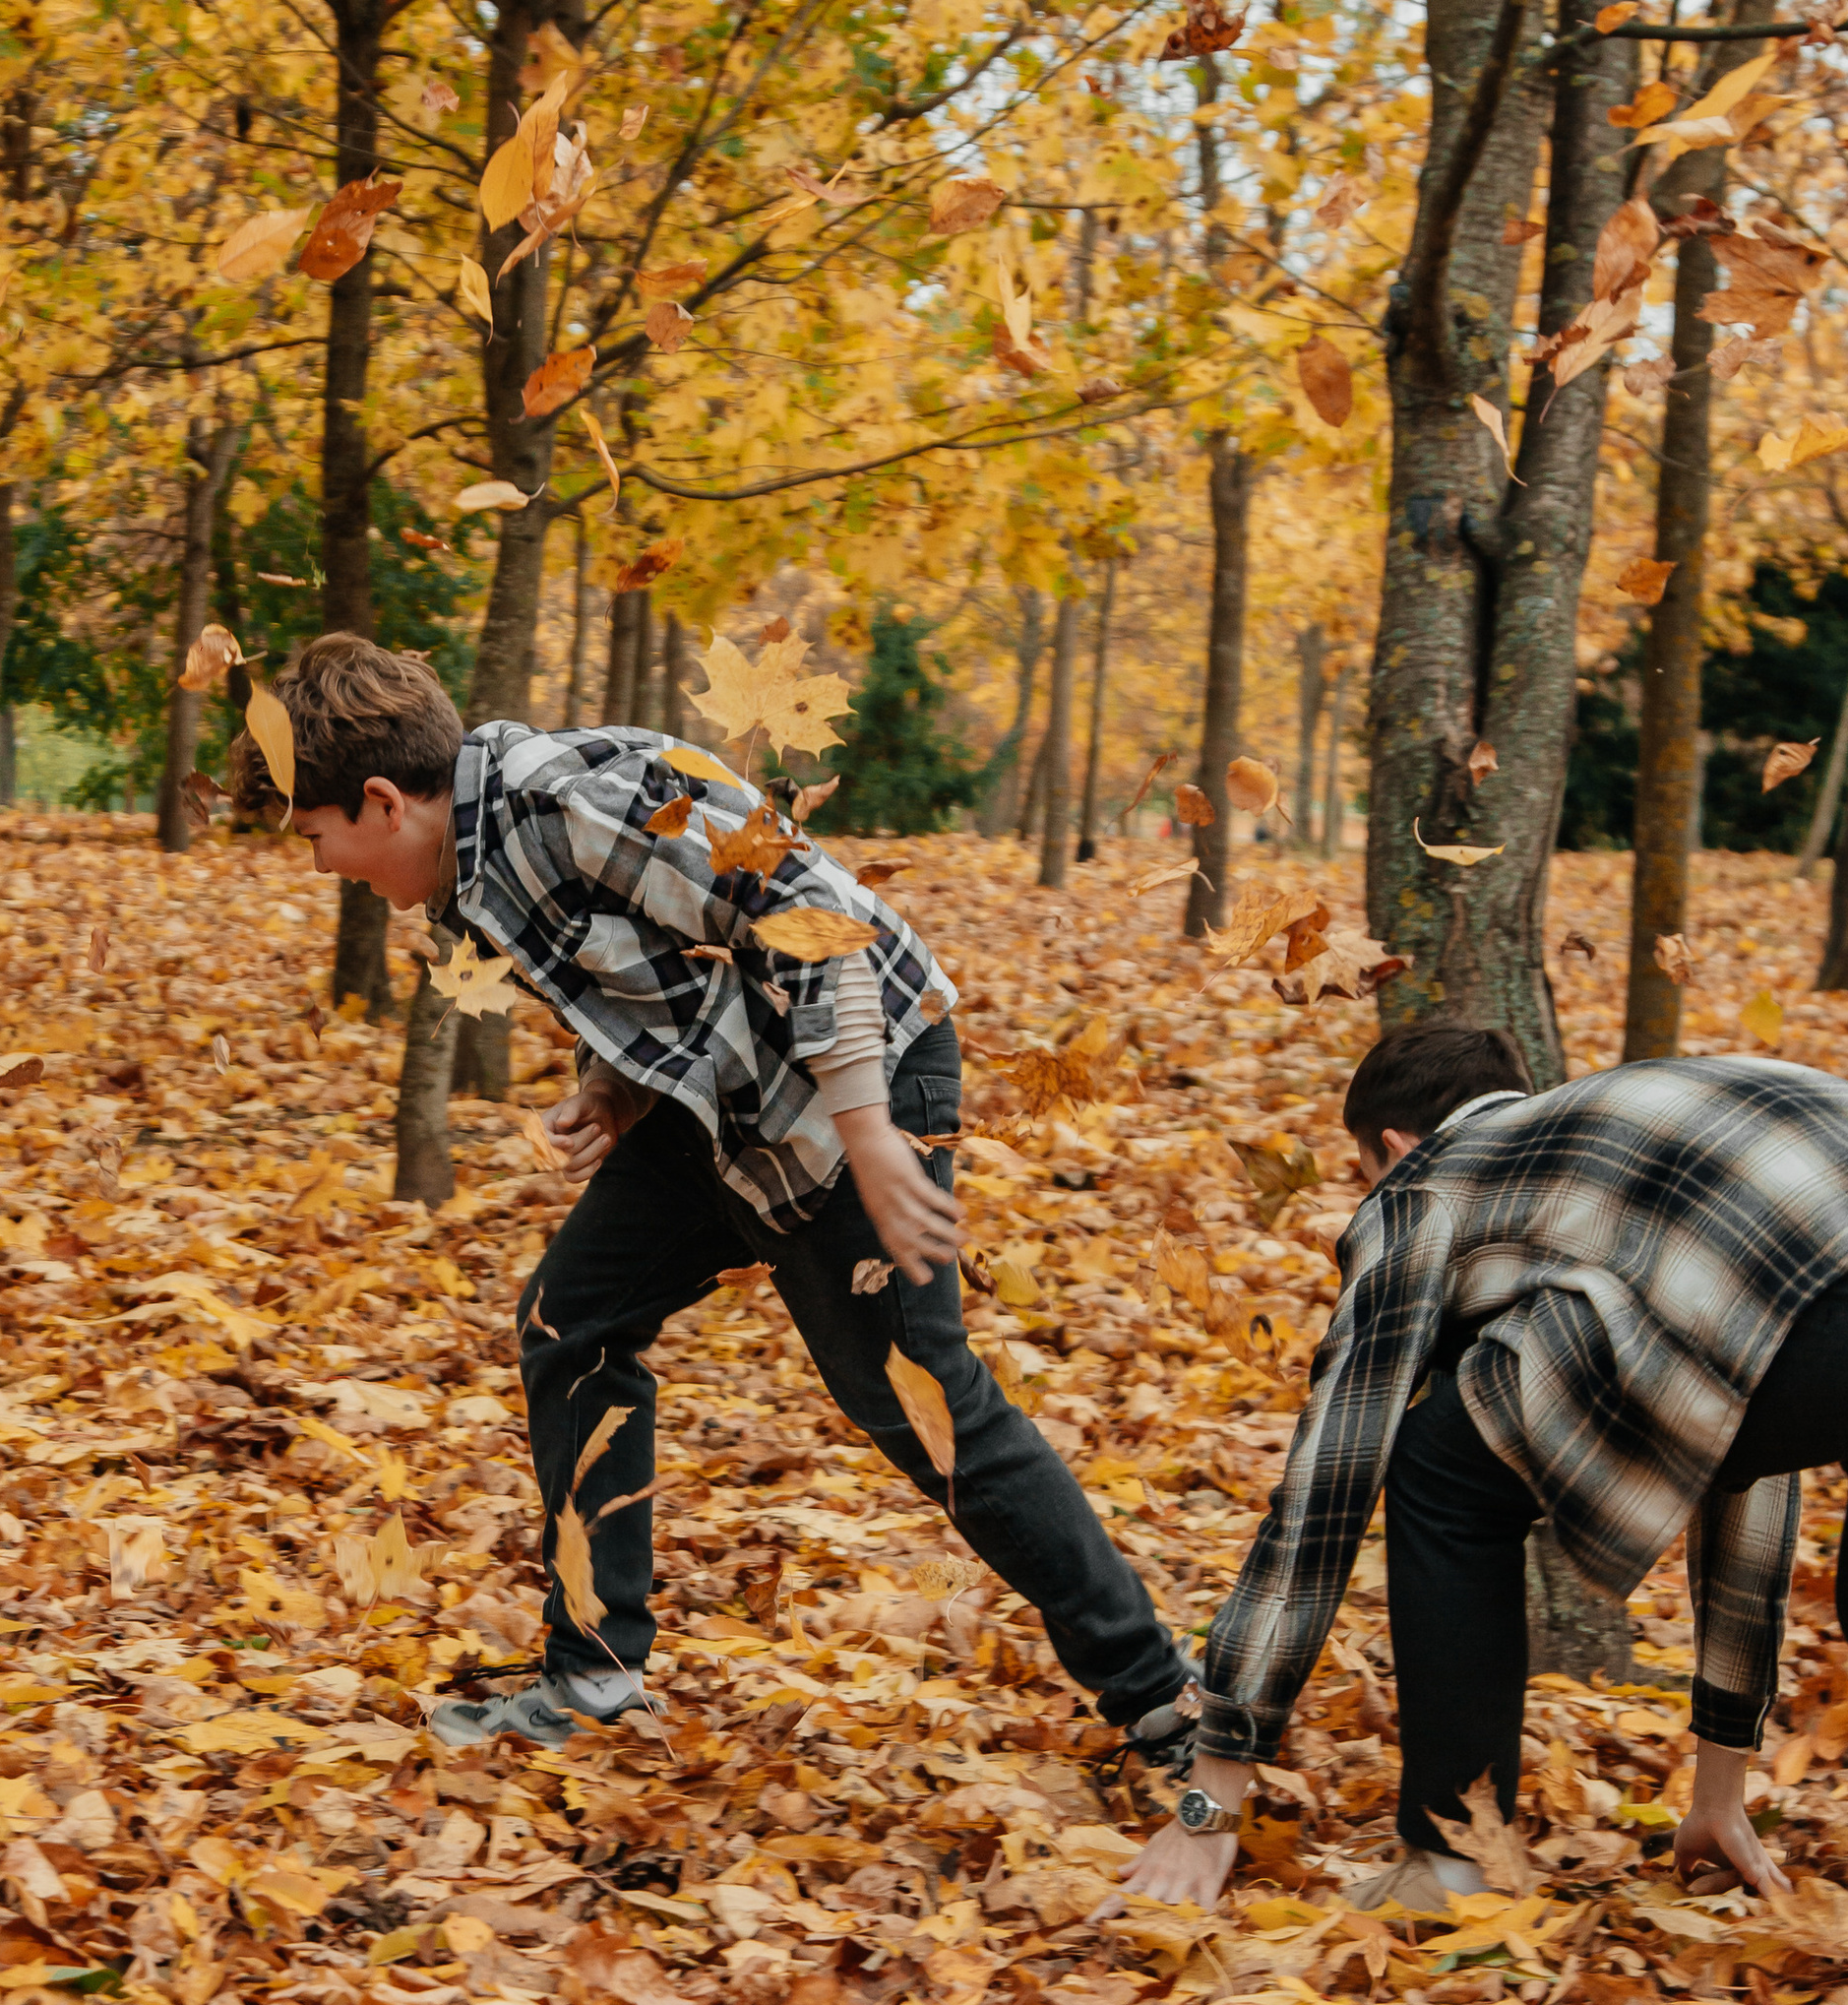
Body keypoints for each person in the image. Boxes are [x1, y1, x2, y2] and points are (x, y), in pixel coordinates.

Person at [249, 631, 1198, 1760]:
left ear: (380, 802)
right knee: (571, 1324)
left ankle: (1163, 1699)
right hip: (726, 1098)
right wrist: (614, 1090)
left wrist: (872, 1135)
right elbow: (669, 966)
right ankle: (593, 1677)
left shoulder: (569, 802)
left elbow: (816, 922)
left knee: (922, 1406)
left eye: (315, 836)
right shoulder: (473, 858)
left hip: (856, 1079)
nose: (322, 867)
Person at [1123, 1016, 1848, 1916]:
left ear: (1392, 1148)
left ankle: (1451, 1862)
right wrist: (1718, 1794)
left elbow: (1328, 1482)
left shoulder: (1427, 1180)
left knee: (1437, 1468)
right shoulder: (1627, 1149)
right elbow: (1743, 1457)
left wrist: (1209, 1805)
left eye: (1363, 1175)